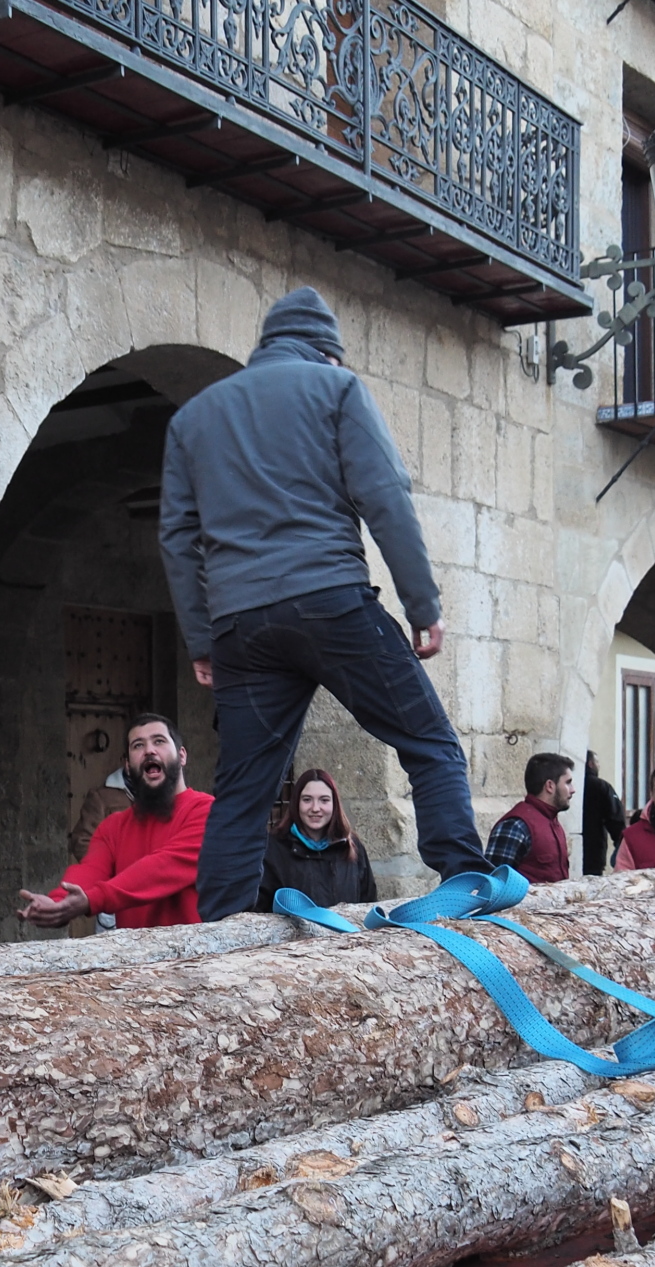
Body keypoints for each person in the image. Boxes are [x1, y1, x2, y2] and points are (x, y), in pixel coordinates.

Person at [161, 285, 488, 921]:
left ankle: (217, 930)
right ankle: (465, 880)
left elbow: (177, 537)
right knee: (429, 742)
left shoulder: (193, 418)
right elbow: (385, 496)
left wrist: (202, 640)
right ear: (327, 352)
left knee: (242, 791)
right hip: (329, 601)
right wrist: (423, 605)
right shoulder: (337, 389)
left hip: (240, 629)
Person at [18, 714, 213, 932]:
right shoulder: (113, 827)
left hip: (193, 952)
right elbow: (90, 870)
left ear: (182, 756)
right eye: (138, 745)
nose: (149, 750)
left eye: (159, 741)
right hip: (136, 953)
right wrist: (59, 902)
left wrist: (91, 900)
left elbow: (162, 868)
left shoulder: (207, 812)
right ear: (128, 765)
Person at [258, 767, 377, 911]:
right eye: (307, 800)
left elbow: (368, 903)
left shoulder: (351, 846)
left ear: (334, 804)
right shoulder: (273, 848)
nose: (315, 808)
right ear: (296, 803)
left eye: (324, 800)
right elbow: (261, 907)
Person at [486, 753, 577, 885]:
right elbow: (494, 884)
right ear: (550, 786)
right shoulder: (516, 825)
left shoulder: (553, 822)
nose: (573, 790)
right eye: (568, 782)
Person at [577, 750, 627, 877]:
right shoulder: (601, 787)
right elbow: (616, 818)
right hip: (594, 852)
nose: (599, 766)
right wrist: (621, 843)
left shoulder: (572, 786)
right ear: (590, 764)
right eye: (597, 762)